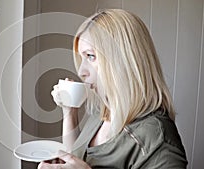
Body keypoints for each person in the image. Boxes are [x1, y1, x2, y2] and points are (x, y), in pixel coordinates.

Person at [38, 9, 188, 169]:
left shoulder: (157, 141)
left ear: (124, 60)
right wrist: (69, 112)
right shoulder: (103, 112)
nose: (81, 71)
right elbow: (77, 157)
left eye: (90, 56)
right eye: (82, 58)